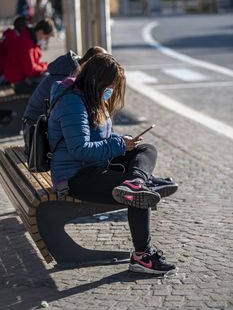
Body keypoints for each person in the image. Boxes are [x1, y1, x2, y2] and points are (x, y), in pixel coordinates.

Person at [48, 53, 177, 275]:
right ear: (97, 81)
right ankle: (142, 257)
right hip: (76, 177)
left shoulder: (89, 97)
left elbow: (100, 137)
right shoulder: (73, 103)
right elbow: (81, 149)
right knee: (137, 196)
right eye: (110, 85)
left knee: (146, 150)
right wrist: (118, 146)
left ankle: (137, 180)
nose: (111, 90)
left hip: (95, 165)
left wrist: (123, 142)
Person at [22, 46, 107, 155]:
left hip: (37, 127)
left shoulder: (71, 70)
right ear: (91, 65)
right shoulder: (66, 80)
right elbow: (71, 113)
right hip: (35, 134)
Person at [4, 18, 55, 94]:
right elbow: (30, 70)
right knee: (50, 83)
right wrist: (47, 67)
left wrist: (46, 66)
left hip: (24, 78)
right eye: (46, 37)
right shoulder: (26, 42)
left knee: (51, 78)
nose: (46, 41)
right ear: (40, 32)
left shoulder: (30, 39)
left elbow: (33, 66)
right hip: (21, 83)